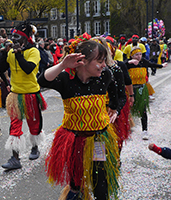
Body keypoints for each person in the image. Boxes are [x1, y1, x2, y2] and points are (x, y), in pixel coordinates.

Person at [38, 38, 120, 200]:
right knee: (76, 182)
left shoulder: (104, 76)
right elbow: (41, 80)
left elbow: (115, 89)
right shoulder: (65, 80)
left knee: (100, 182)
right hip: (75, 140)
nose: (104, 65)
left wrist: (114, 108)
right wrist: (62, 65)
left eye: (105, 61)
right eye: (100, 61)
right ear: (82, 61)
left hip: (98, 140)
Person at [0, 21, 47, 170]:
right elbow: (1, 68)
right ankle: (15, 158)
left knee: (34, 123)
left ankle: (34, 147)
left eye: (17, 37)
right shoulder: (11, 52)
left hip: (31, 94)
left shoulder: (34, 52)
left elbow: (28, 69)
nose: (14, 40)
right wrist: (2, 54)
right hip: (15, 94)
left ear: (26, 39)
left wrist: (19, 55)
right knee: (14, 126)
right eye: (13, 37)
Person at [125, 47, 167, 140]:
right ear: (132, 55)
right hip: (130, 90)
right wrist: (129, 62)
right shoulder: (128, 63)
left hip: (141, 89)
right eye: (136, 55)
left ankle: (145, 130)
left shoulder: (143, 62)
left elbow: (152, 64)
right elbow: (120, 66)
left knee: (143, 110)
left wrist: (161, 66)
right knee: (127, 110)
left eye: (140, 54)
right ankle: (127, 130)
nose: (139, 56)